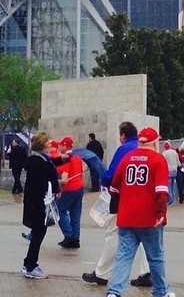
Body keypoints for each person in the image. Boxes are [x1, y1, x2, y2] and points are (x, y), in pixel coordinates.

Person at [106, 126, 174, 297]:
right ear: (154, 142)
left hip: (127, 216)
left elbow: (114, 187)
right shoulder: (158, 160)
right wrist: (162, 213)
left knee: (123, 257)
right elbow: (161, 191)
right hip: (149, 217)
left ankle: (114, 292)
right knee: (155, 257)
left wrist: (117, 208)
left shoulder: (127, 158)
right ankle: (161, 291)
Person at [81, 121, 151, 288]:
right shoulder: (145, 149)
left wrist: (104, 179)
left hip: (125, 198)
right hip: (144, 198)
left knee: (113, 234)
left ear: (122, 135)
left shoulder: (124, 149)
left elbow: (112, 174)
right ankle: (147, 272)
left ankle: (101, 273)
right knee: (143, 235)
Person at [21, 131, 59, 279]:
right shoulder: (37, 162)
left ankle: (30, 263)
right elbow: (41, 183)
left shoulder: (42, 159)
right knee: (38, 233)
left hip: (37, 202)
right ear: (42, 145)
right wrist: (57, 184)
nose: (50, 144)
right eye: (48, 142)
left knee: (39, 233)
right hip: (37, 204)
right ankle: (30, 265)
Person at [55, 136, 84, 248]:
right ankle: (76, 238)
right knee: (75, 214)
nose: (59, 146)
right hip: (79, 188)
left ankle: (69, 236)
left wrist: (58, 187)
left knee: (59, 211)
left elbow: (65, 178)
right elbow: (82, 174)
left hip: (69, 189)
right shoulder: (77, 157)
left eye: (61, 145)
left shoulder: (66, 158)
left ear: (65, 146)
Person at [162, 142, 180, 206]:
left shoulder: (164, 153)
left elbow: (162, 162)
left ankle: (171, 200)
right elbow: (178, 163)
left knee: (169, 186)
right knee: (173, 185)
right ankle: (174, 200)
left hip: (168, 170)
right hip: (175, 170)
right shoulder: (174, 152)